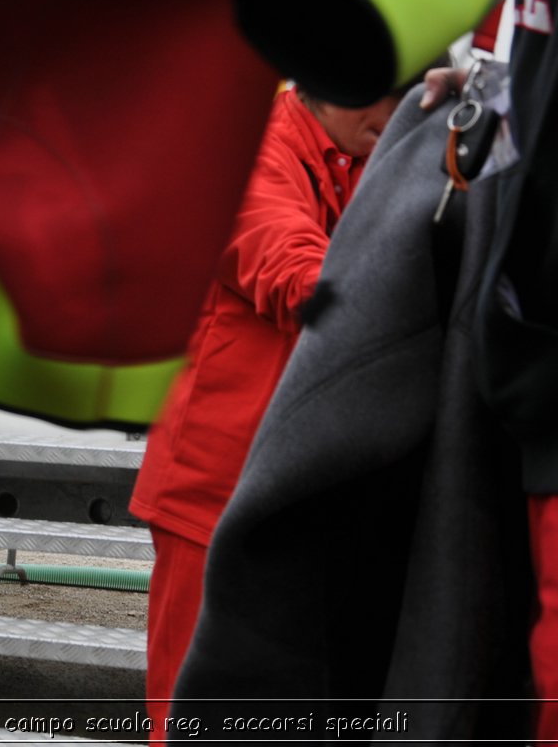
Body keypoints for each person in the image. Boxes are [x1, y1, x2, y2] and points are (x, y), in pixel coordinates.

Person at [128, 81, 404, 734]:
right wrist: (400, 305)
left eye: (409, 94)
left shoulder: (384, 151)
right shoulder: (239, 148)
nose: (394, 114)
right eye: (378, 94)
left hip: (316, 496)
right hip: (213, 498)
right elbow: (287, 266)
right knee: (194, 717)